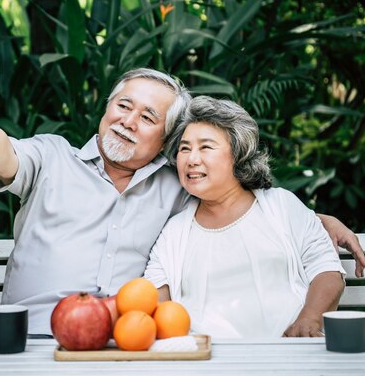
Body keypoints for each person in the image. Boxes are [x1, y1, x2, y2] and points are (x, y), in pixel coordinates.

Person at [0, 69, 365, 336]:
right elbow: (2, 155)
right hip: (28, 339)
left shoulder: (177, 185)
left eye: (147, 117)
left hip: (123, 344)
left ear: (164, 140)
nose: (128, 121)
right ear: (106, 109)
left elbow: (234, 195)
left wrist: (312, 219)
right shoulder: (52, 157)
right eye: (123, 106)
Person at [144, 96, 346, 338]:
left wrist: (308, 320)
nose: (191, 159)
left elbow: (327, 271)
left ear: (238, 153)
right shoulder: (173, 232)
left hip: (290, 353)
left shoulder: (280, 205)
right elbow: (158, 297)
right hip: (208, 363)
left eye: (205, 147)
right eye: (185, 148)